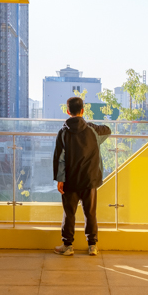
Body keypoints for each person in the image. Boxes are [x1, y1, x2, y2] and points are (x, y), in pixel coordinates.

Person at [52, 95, 111, 256]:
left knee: (69, 213)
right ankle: (92, 245)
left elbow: (59, 158)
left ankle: (68, 246)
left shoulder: (63, 132)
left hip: (70, 180)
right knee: (90, 213)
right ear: (83, 111)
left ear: (67, 111)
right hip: (90, 179)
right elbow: (108, 130)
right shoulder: (92, 130)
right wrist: (91, 125)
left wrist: (60, 179)